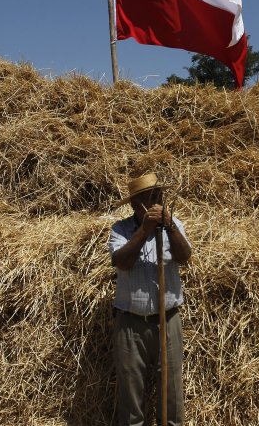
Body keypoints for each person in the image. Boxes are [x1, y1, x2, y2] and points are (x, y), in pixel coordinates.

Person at [108, 173, 192, 426]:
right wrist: (144, 230)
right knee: (131, 390)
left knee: (172, 390)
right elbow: (121, 262)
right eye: (148, 198)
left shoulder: (174, 224)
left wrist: (170, 228)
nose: (156, 203)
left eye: (159, 197)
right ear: (135, 204)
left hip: (168, 319)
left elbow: (184, 256)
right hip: (131, 323)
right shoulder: (120, 229)